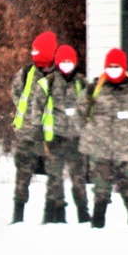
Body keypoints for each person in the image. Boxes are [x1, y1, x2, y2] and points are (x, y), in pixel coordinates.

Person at [77, 48, 128, 228]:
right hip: (100, 149)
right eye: (110, 66)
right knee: (101, 190)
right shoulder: (94, 88)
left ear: (124, 67)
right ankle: (98, 225)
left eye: (117, 66)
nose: (114, 69)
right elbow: (80, 113)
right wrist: (89, 135)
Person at [10, 31, 59, 224]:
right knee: (22, 176)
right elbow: (16, 95)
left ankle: (50, 217)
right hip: (27, 136)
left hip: (51, 136)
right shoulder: (25, 74)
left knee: (54, 176)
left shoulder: (60, 77)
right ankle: (18, 215)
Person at [49, 45, 91, 223]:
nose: (67, 64)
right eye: (63, 61)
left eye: (69, 61)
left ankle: (83, 213)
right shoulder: (49, 83)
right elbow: (39, 107)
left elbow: (91, 109)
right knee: (54, 178)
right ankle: (57, 214)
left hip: (76, 139)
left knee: (79, 178)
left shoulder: (82, 84)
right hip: (56, 137)